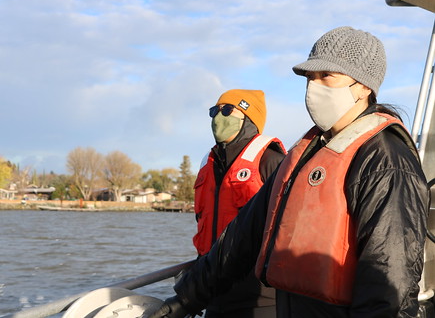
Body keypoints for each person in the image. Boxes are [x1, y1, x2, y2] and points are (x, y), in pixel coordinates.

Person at [146, 26, 430, 318]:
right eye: (310, 77)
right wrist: (183, 302)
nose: (313, 87)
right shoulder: (305, 154)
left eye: (326, 76)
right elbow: (239, 240)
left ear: (363, 87)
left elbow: (389, 278)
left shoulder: (387, 160)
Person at [193, 89, 286, 317]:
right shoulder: (209, 164)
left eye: (226, 110)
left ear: (248, 117)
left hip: (260, 298)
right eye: (214, 111)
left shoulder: (271, 160)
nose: (218, 117)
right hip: (213, 291)